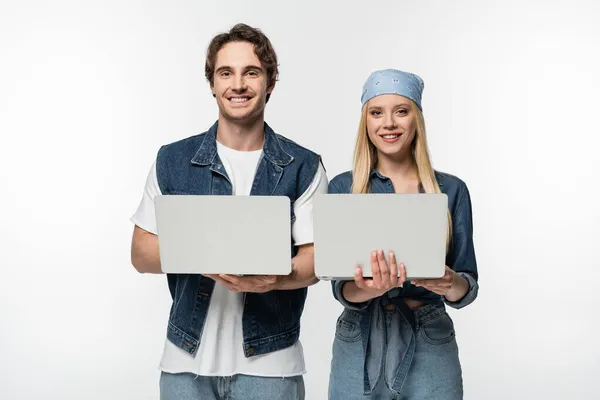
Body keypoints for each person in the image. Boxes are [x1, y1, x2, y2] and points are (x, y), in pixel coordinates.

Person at [129, 23, 327, 400]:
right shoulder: (172, 160)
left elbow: (317, 261)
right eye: (226, 73)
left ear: (270, 83)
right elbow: (141, 254)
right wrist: (204, 256)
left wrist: (274, 278)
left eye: (251, 72)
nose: (238, 84)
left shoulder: (303, 165)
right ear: (212, 84)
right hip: (185, 364)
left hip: (272, 368)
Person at [326, 69, 479, 400]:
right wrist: (368, 288)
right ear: (366, 122)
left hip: (430, 337)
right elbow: (341, 288)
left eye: (401, 111)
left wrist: (450, 282)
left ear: (416, 120)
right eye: (377, 112)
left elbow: (467, 286)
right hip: (360, 336)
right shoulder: (343, 188)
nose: (389, 123)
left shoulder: (452, 190)